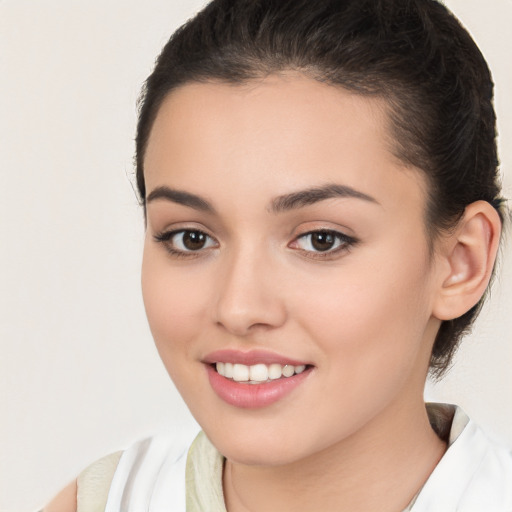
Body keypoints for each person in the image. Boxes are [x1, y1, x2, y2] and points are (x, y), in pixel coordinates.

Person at [44, 0, 511, 510]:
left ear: (461, 262)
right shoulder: (105, 500)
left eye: (321, 240)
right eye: (191, 238)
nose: (238, 308)